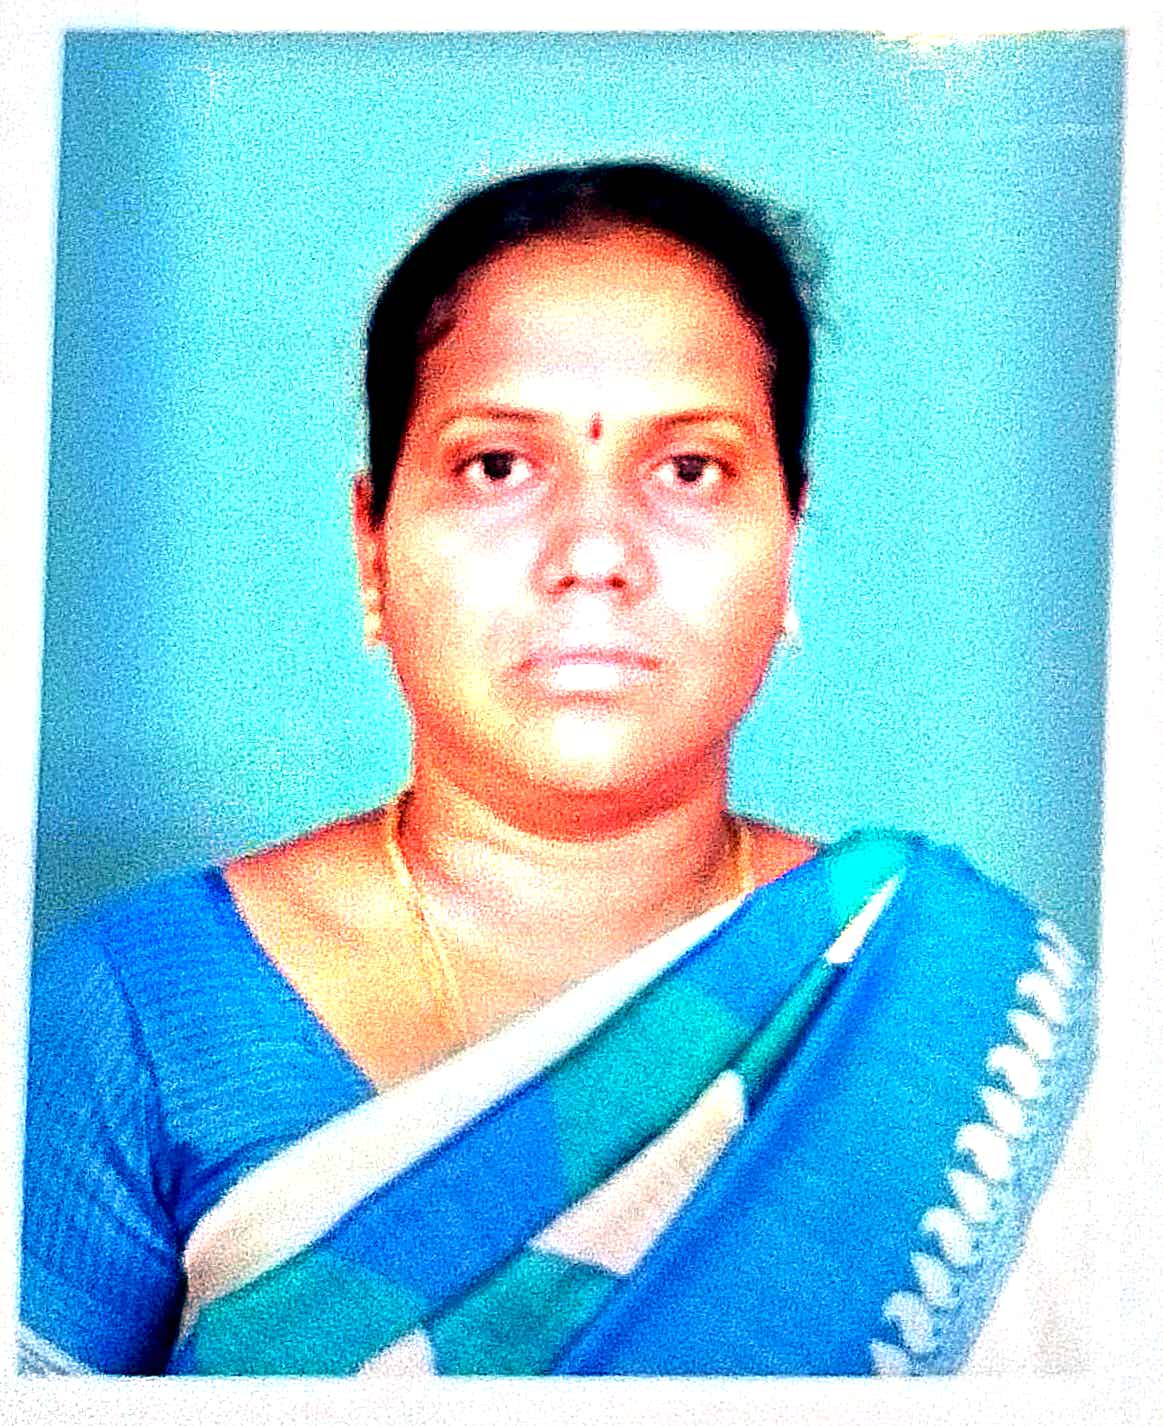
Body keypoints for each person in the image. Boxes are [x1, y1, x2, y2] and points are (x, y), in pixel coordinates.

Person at [20, 161, 1094, 1377]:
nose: (592, 552)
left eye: (688, 469)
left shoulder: (950, 1005)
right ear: (371, 544)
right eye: (496, 466)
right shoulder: (133, 1018)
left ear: (788, 537)